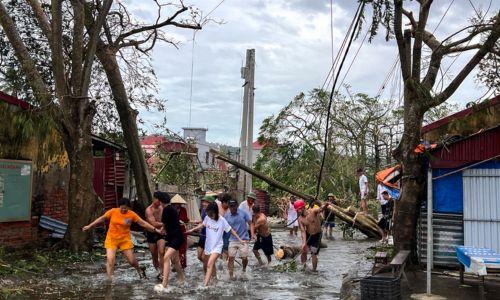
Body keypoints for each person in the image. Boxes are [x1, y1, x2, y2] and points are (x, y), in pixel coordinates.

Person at [82, 198, 160, 280]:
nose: (123, 209)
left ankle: (139, 270)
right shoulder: (113, 211)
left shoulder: (132, 215)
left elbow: (143, 223)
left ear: (129, 208)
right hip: (112, 239)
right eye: (122, 207)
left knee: (132, 261)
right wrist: (89, 226)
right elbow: (102, 218)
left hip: (124, 240)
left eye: (125, 208)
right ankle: (110, 280)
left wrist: (155, 229)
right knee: (110, 260)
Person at [187, 202, 246, 286]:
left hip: (217, 247)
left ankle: (205, 285)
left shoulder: (222, 220)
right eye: (208, 214)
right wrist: (192, 230)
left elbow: (230, 230)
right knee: (206, 264)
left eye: (211, 214)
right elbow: (202, 225)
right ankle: (214, 280)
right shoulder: (207, 218)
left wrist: (240, 240)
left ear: (215, 212)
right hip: (208, 246)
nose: (210, 215)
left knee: (210, 264)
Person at [296, 199, 329, 272]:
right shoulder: (300, 219)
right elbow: (302, 231)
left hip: (317, 235)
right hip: (308, 234)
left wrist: (325, 205)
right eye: (297, 210)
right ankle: (303, 267)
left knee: (314, 253)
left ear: (303, 207)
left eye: (299, 210)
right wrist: (304, 243)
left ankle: (314, 270)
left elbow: (320, 209)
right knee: (303, 251)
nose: (298, 211)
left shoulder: (312, 211)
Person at [159, 203, 185, 289]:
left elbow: (163, 224)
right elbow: (165, 225)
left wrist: (161, 228)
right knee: (175, 261)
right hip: (171, 238)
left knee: (166, 257)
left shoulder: (167, 209)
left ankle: (164, 284)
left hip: (176, 238)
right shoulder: (171, 210)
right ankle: (182, 279)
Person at [224, 199, 252, 279]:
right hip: (232, 239)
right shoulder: (226, 215)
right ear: (229, 207)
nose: (233, 208)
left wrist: (253, 235)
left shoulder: (243, 213)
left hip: (244, 239)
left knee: (244, 257)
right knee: (231, 258)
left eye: (234, 206)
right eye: (231, 207)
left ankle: (243, 269)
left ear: (237, 206)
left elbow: (250, 223)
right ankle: (231, 275)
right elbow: (224, 228)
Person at [145, 191, 170, 277]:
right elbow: (154, 224)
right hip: (151, 233)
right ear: (154, 199)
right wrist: (165, 223)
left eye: (161, 201)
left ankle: (162, 272)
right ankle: (158, 270)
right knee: (154, 254)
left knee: (162, 252)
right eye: (158, 200)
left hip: (161, 233)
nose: (159, 202)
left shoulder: (162, 208)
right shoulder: (149, 210)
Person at [170, 194, 190, 269]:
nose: (177, 205)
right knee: (173, 249)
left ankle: (182, 266)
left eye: (179, 203)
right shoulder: (170, 210)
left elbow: (186, 220)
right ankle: (175, 264)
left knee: (182, 249)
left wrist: (186, 222)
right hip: (173, 232)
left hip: (182, 232)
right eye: (175, 204)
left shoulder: (183, 210)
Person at [196, 195, 214, 273]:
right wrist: (196, 224)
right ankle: (210, 266)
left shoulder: (213, 213)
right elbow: (202, 221)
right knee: (199, 256)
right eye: (203, 202)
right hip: (202, 236)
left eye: (206, 202)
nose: (203, 203)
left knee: (204, 257)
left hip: (209, 237)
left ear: (210, 203)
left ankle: (207, 275)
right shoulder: (203, 210)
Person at [219, 194, 232, 260]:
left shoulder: (230, 209)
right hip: (218, 230)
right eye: (228, 203)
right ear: (223, 202)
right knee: (219, 247)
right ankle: (220, 260)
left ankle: (225, 261)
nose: (229, 205)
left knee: (226, 246)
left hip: (227, 231)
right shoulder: (217, 206)